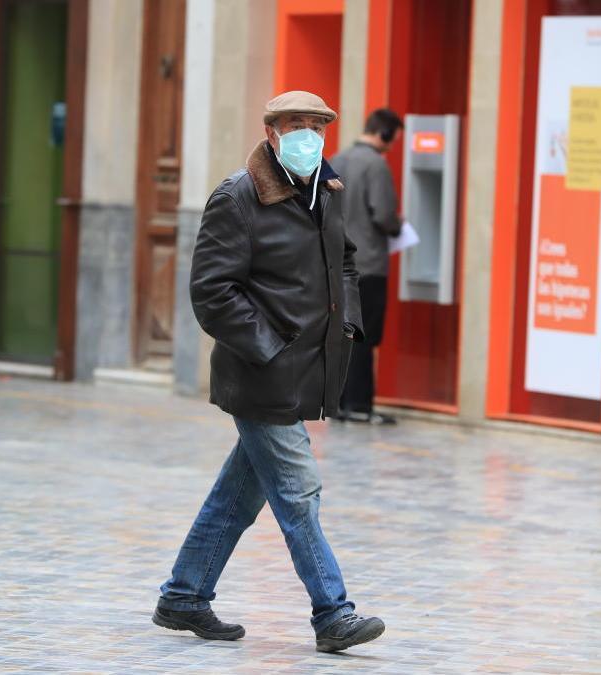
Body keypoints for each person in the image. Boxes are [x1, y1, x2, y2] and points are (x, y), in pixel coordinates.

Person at [153, 91, 385, 653]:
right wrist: (270, 349)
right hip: (263, 372)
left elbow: (346, 260)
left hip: (305, 367)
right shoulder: (238, 196)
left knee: (241, 491)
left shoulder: (325, 190)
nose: (306, 133)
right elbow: (212, 292)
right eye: (293, 124)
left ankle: (183, 595)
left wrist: (347, 321)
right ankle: (333, 612)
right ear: (271, 131)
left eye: (315, 124)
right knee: (298, 489)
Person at [330, 108, 403, 425]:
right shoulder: (376, 165)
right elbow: (384, 216)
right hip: (368, 263)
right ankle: (360, 406)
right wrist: (399, 226)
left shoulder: (337, 159)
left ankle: (342, 403)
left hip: (336, 264)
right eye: (393, 140)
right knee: (365, 337)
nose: (392, 146)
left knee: (343, 334)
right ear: (384, 134)